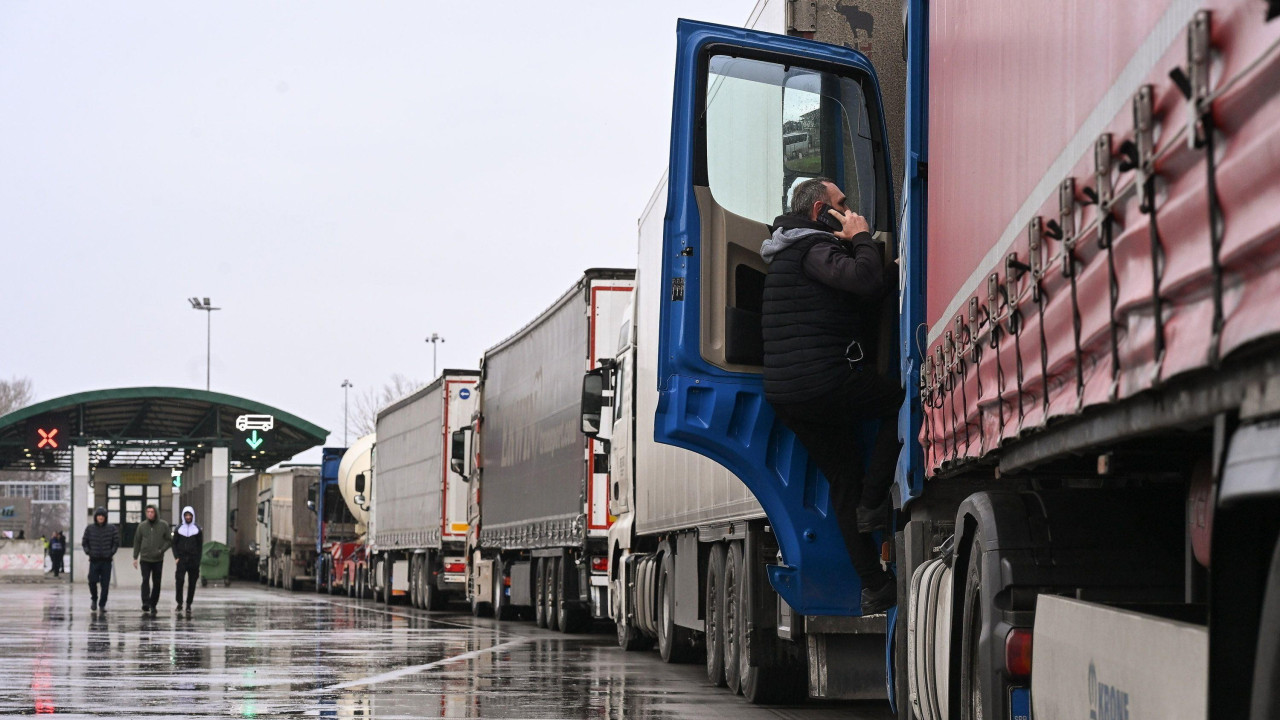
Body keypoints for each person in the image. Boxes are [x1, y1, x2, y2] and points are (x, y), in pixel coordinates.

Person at [759, 176, 903, 615]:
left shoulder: (787, 250)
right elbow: (862, 280)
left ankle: (875, 585)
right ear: (821, 212)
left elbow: (856, 296)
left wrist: (888, 268)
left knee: (843, 477)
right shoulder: (812, 246)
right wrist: (861, 237)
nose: (851, 209)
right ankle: (873, 502)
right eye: (843, 203)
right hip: (823, 382)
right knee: (900, 402)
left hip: (789, 394)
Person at [132, 504, 171, 616]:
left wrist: (161, 550)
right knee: (145, 580)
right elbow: (137, 541)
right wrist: (135, 557)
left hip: (158, 559)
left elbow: (169, 540)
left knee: (156, 582)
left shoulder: (163, 525)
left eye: (152, 512)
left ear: (156, 513)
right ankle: (145, 602)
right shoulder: (142, 526)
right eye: (148, 512)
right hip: (145, 558)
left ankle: (153, 603)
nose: (150, 514)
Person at [82, 508, 120, 612]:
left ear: (105, 517)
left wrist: (111, 552)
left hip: (106, 561)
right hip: (94, 560)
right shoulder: (90, 528)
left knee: (105, 584)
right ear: (96, 517)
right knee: (92, 581)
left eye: (102, 516)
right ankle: (94, 598)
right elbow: (84, 542)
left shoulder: (111, 528)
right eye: (99, 516)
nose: (101, 517)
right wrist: (88, 552)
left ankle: (102, 604)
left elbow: (116, 542)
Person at [171, 506, 203, 615]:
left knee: (192, 583)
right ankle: (179, 603)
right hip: (182, 559)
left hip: (193, 560)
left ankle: (189, 604)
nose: (188, 517)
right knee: (179, 581)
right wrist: (176, 557)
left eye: (190, 515)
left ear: (193, 516)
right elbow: (174, 544)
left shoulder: (197, 529)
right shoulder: (178, 529)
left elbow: (200, 546)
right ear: (183, 516)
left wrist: (198, 560)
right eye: (186, 515)